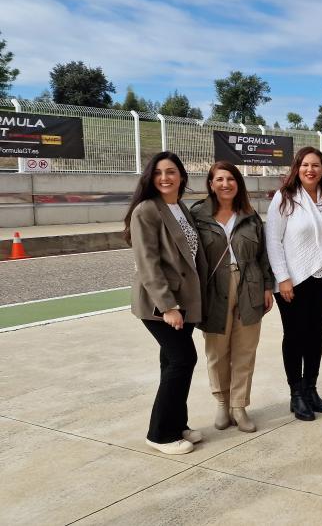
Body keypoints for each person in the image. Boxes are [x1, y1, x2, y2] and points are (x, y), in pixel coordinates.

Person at [125, 151, 207, 455]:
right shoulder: (146, 210)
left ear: (182, 176)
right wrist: (168, 306)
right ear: (150, 177)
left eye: (171, 172)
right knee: (183, 360)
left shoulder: (180, 207)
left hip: (184, 302)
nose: (165, 178)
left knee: (171, 362)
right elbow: (148, 263)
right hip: (160, 305)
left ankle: (177, 424)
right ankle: (159, 433)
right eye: (158, 172)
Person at [191, 162, 274, 434]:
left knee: (245, 350)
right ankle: (221, 403)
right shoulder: (198, 215)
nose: (225, 184)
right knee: (216, 351)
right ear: (211, 184)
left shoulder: (250, 217)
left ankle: (239, 406)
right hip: (214, 289)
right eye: (220, 179)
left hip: (249, 285)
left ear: (238, 183)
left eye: (231, 179)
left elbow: (263, 256)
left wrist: (266, 288)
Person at [266, 147, 322, 422]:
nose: (311, 169)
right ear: (297, 168)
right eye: (306, 164)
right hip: (294, 280)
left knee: (316, 335)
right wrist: (282, 278)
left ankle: (311, 388)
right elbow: (273, 240)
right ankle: (295, 393)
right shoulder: (284, 198)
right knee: (295, 336)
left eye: (317, 165)